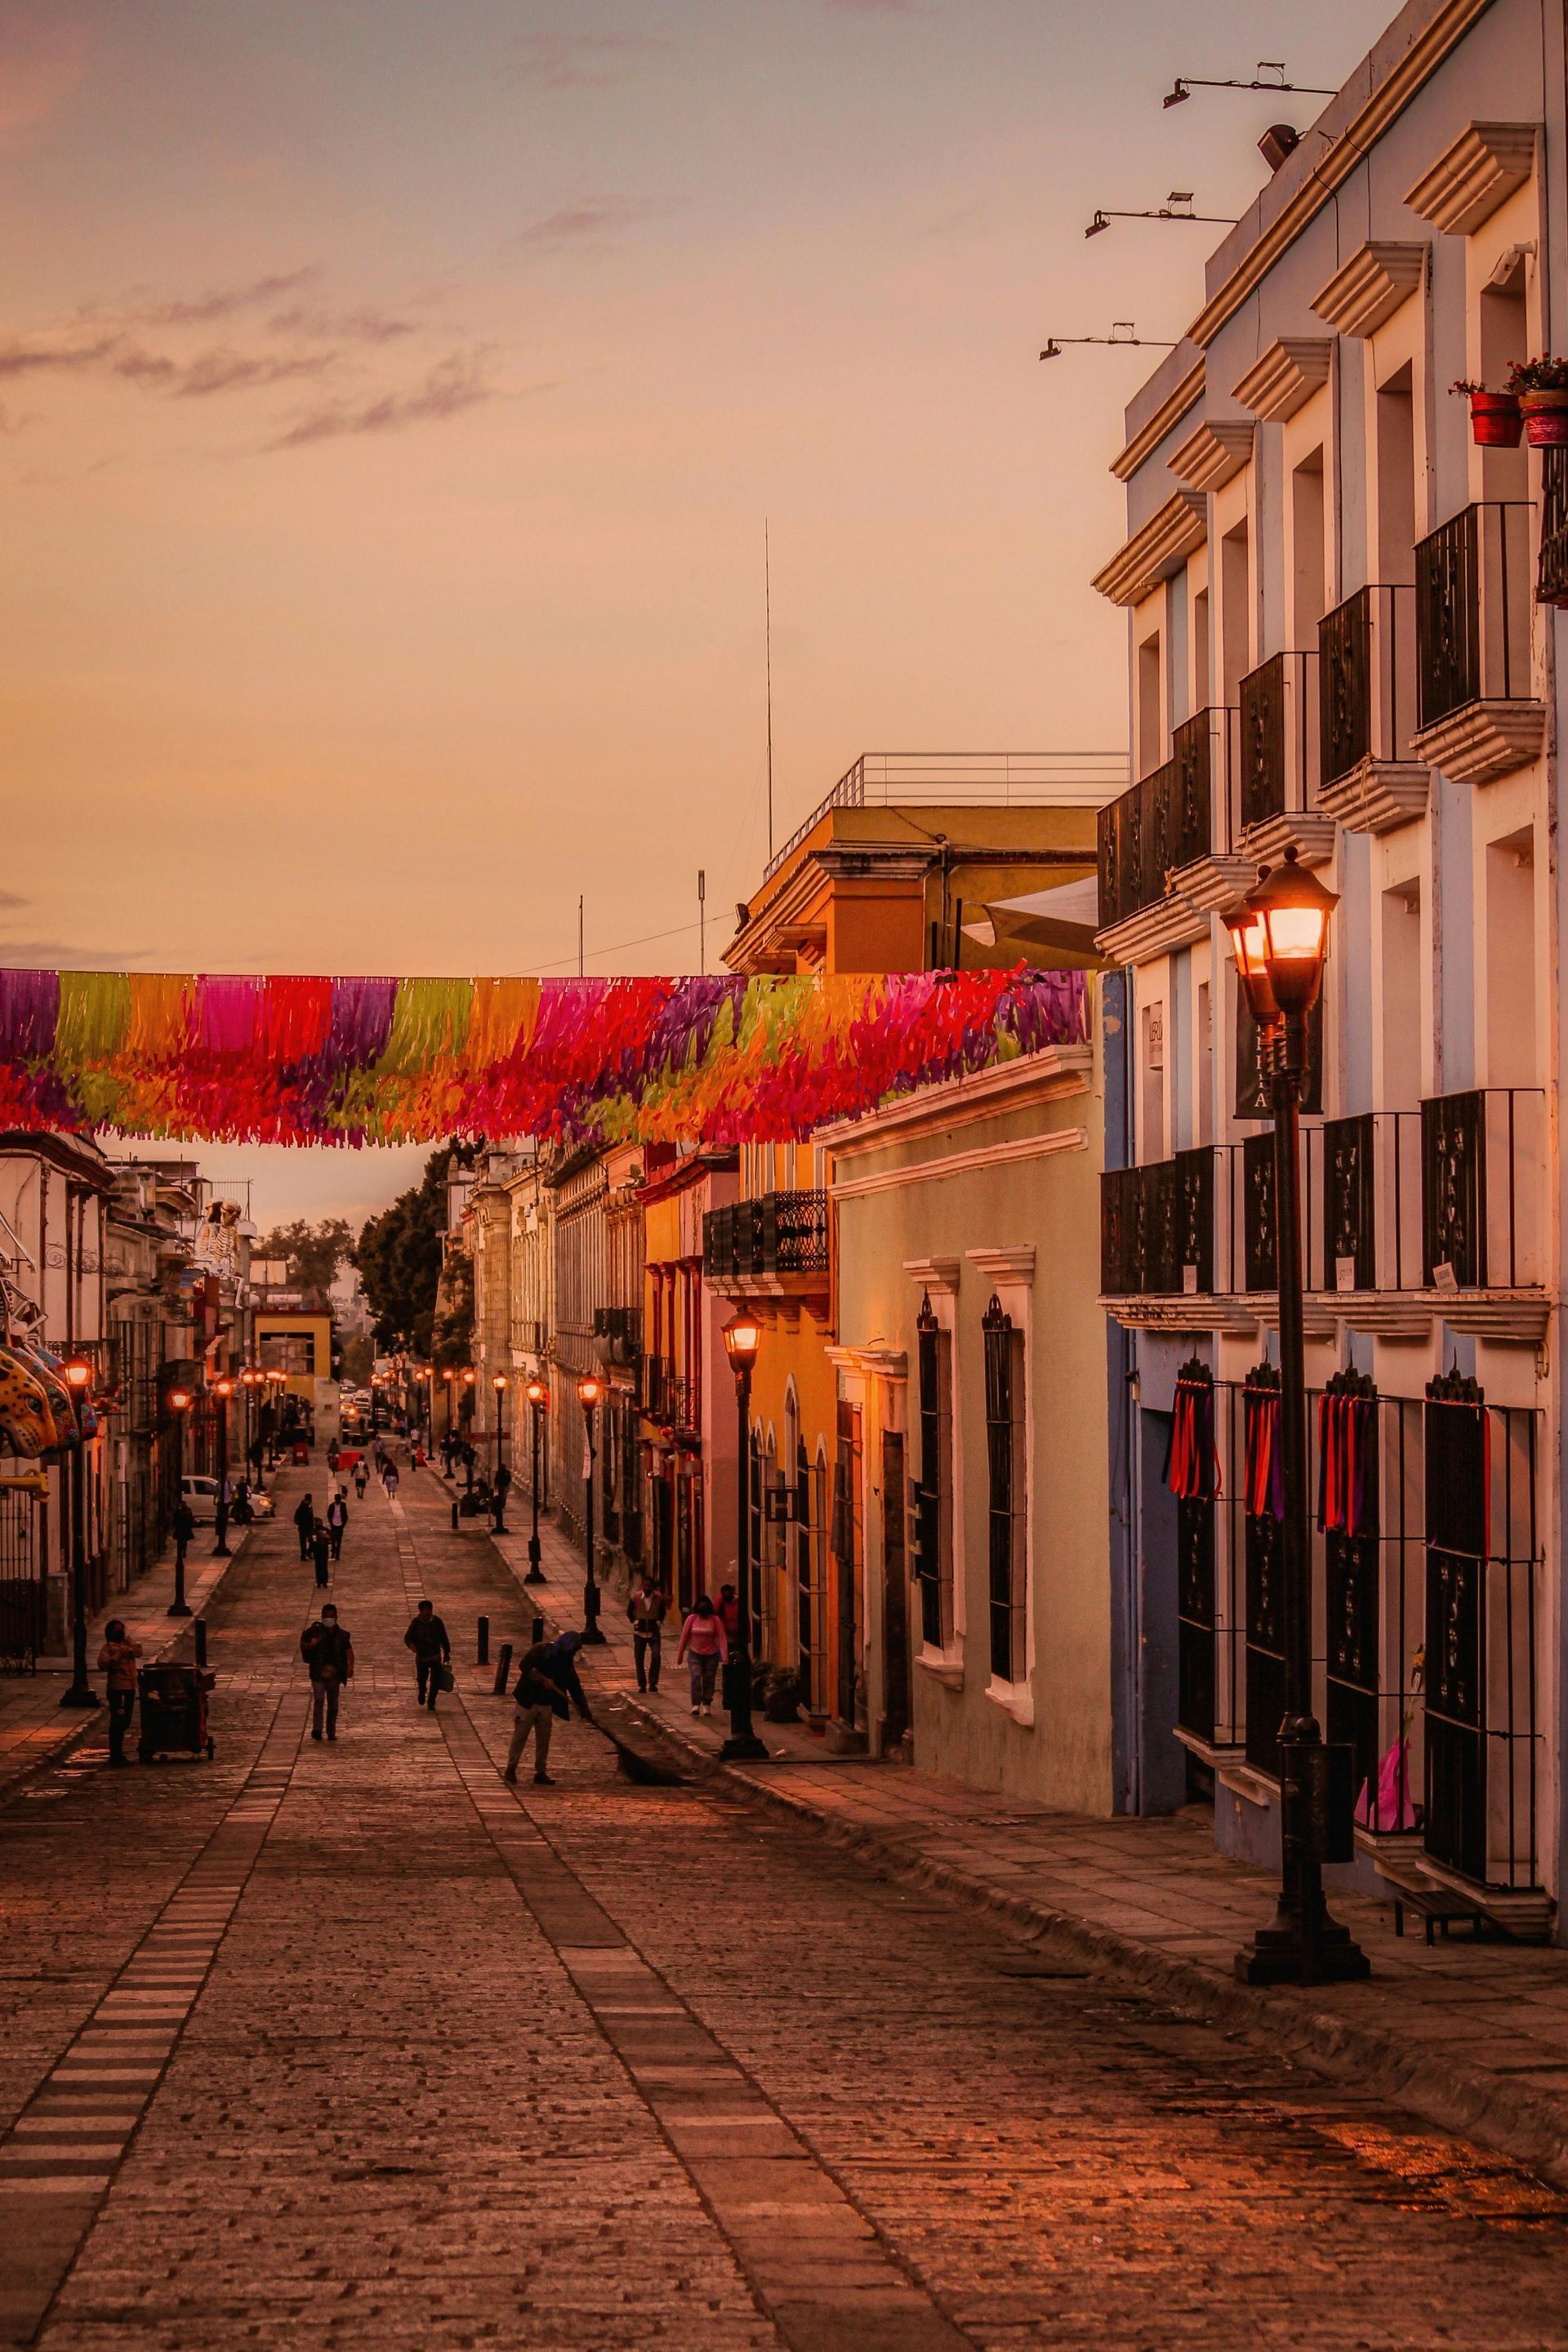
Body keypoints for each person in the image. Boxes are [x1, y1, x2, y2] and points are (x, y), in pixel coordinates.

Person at [505, 1630, 594, 1785]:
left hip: (546, 1704)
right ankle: (511, 1768)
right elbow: (524, 1665)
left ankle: (540, 1771)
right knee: (520, 1736)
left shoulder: (566, 1664)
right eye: (573, 1650)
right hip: (528, 1702)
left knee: (544, 1740)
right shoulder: (541, 1650)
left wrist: (584, 1708)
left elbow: (575, 1687)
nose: (573, 1654)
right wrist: (540, 1678)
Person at [301, 1601, 352, 1741]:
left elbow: (348, 1650)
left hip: (335, 1673)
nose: (328, 1619)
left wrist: (350, 1666)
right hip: (318, 1672)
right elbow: (303, 1646)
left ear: (336, 1618)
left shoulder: (342, 1635)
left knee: (333, 1704)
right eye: (326, 1617)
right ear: (322, 1617)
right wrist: (311, 1645)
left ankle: (331, 1731)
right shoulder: (313, 1632)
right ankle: (317, 1729)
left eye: (331, 1617)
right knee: (319, 1699)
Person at [97, 1618, 142, 1766]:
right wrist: (117, 1656)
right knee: (118, 1721)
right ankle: (116, 1754)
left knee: (126, 1720)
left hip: (130, 1688)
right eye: (117, 1630)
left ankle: (118, 1753)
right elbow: (103, 1663)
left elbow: (138, 1651)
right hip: (117, 1689)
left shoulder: (127, 1644)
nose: (121, 1632)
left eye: (121, 1629)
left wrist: (127, 1647)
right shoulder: (108, 1648)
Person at [675, 1593, 728, 1717]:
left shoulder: (715, 1620)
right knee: (696, 1678)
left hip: (711, 1654)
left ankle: (707, 1703)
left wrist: (725, 1657)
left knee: (709, 1679)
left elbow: (722, 1638)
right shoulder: (691, 1619)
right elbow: (684, 1637)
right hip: (695, 1653)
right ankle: (696, 1703)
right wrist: (680, 1655)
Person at [403, 1597, 450, 1709]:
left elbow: (444, 1637)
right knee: (421, 1679)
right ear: (420, 1611)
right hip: (422, 1656)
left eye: (428, 1610)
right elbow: (407, 1637)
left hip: (435, 1655)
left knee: (436, 1680)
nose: (426, 1613)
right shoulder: (416, 1622)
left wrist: (447, 1652)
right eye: (423, 1611)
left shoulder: (437, 1622)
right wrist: (411, 1645)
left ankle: (431, 1701)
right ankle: (422, 1691)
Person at [626, 1574, 668, 1695]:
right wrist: (634, 1621)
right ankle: (642, 1684)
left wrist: (658, 1621)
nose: (647, 1587)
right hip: (639, 1632)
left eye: (649, 1585)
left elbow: (662, 1612)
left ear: (653, 1588)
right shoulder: (636, 1598)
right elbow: (629, 1612)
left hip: (653, 1632)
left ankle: (653, 1682)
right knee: (639, 1659)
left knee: (656, 1656)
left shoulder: (658, 1599)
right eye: (645, 1585)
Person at [717, 1581, 742, 1709]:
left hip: (737, 1637)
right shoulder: (720, 1602)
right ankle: (728, 1699)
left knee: (736, 1667)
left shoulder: (738, 1603)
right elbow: (715, 1614)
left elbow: (744, 1618)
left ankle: (734, 1696)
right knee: (727, 1668)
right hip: (725, 1638)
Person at [172, 1494, 195, 1578]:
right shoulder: (181, 1511)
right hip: (183, 1528)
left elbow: (175, 1520)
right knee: (183, 1541)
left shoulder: (181, 1511)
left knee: (182, 1541)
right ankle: (182, 1552)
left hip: (183, 1528)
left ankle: (183, 1552)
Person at [293, 1491, 315, 1562]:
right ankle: (303, 1555)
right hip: (303, 1527)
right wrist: (299, 1523)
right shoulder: (301, 1507)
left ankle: (308, 1552)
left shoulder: (309, 1507)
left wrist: (312, 1525)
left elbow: (311, 1517)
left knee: (312, 1541)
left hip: (309, 1527)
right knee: (303, 1542)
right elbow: (296, 1516)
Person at [327, 1489, 349, 1561]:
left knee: (339, 1541)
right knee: (333, 1540)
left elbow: (345, 1516)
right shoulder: (331, 1506)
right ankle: (333, 1552)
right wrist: (331, 1523)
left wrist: (343, 1524)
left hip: (340, 1525)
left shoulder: (343, 1505)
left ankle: (337, 1555)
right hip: (333, 1525)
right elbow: (329, 1515)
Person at [310, 1519, 332, 1589]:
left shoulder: (325, 1530)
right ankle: (319, 1582)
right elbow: (311, 1541)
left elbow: (331, 1538)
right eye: (318, 1523)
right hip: (317, 1551)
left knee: (324, 1566)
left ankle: (324, 1582)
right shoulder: (313, 1531)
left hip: (324, 1551)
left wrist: (326, 1536)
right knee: (318, 1567)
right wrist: (310, 1551)